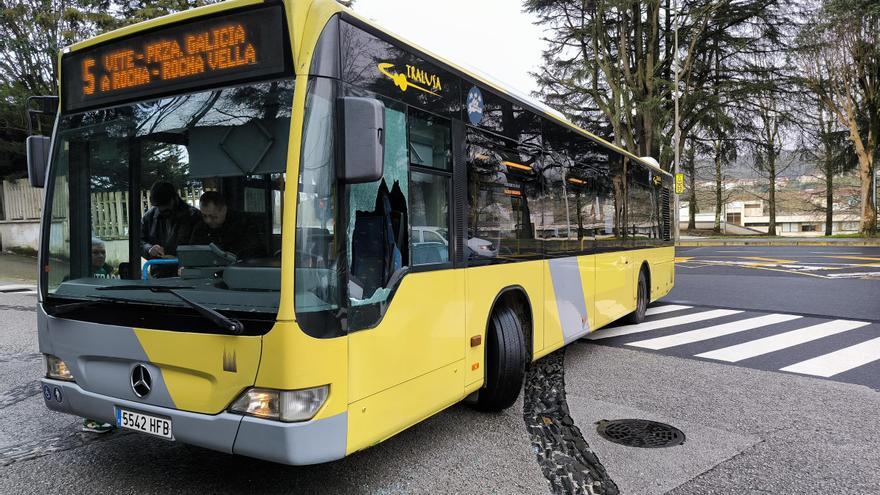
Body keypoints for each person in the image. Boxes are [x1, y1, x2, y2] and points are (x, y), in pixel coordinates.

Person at [140, 181, 200, 277]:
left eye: (165, 205)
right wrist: (149, 249)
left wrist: (186, 263)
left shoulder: (193, 216)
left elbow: (200, 247)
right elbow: (139, 241)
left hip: (186, 273)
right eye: (158, 206)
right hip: (159, 274)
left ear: (174, 199)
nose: (162, 210)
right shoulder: (150, 217)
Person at [189, 191, 264, 259]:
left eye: (213, 216)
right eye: (204, 216)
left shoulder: (243, 224)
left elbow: (253, 251)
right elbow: (193, 251)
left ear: (224, 210)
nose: (208, 221)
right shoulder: (200, 227)